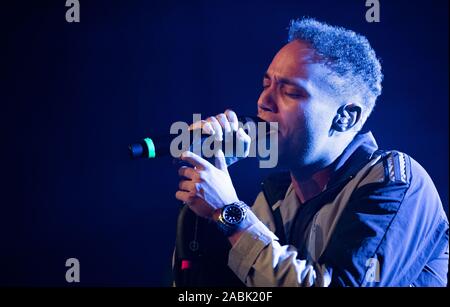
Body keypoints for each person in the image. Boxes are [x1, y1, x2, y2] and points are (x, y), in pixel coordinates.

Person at [173, 18, 449, 287]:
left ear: (346, 117)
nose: (263, 101)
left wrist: (229, 213)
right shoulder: (276, 196)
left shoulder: (395, 183)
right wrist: (207, 205)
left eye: (290, 92)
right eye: (266, 84)